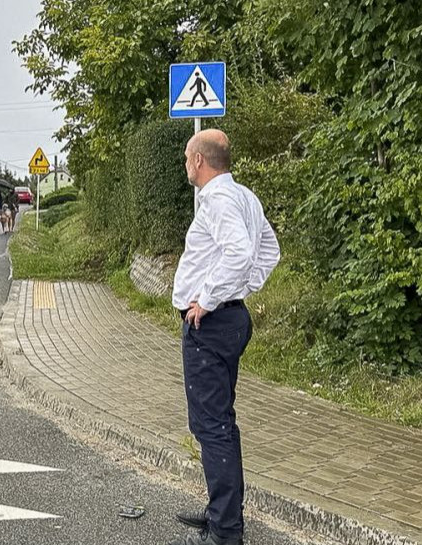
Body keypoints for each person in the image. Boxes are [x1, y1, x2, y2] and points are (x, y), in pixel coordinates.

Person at [169, 129, 280, 545]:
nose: (185, 164)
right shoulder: (245, 196)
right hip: (228, 321)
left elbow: (239, 250)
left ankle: (226, 531)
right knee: (221, 423)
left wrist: (210, 298)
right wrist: (242, 289)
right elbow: (269, 249)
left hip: (209, 326)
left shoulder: (217, 199)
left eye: (186, 158)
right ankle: (222, 512)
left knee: (211, 425)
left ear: (199, 160)